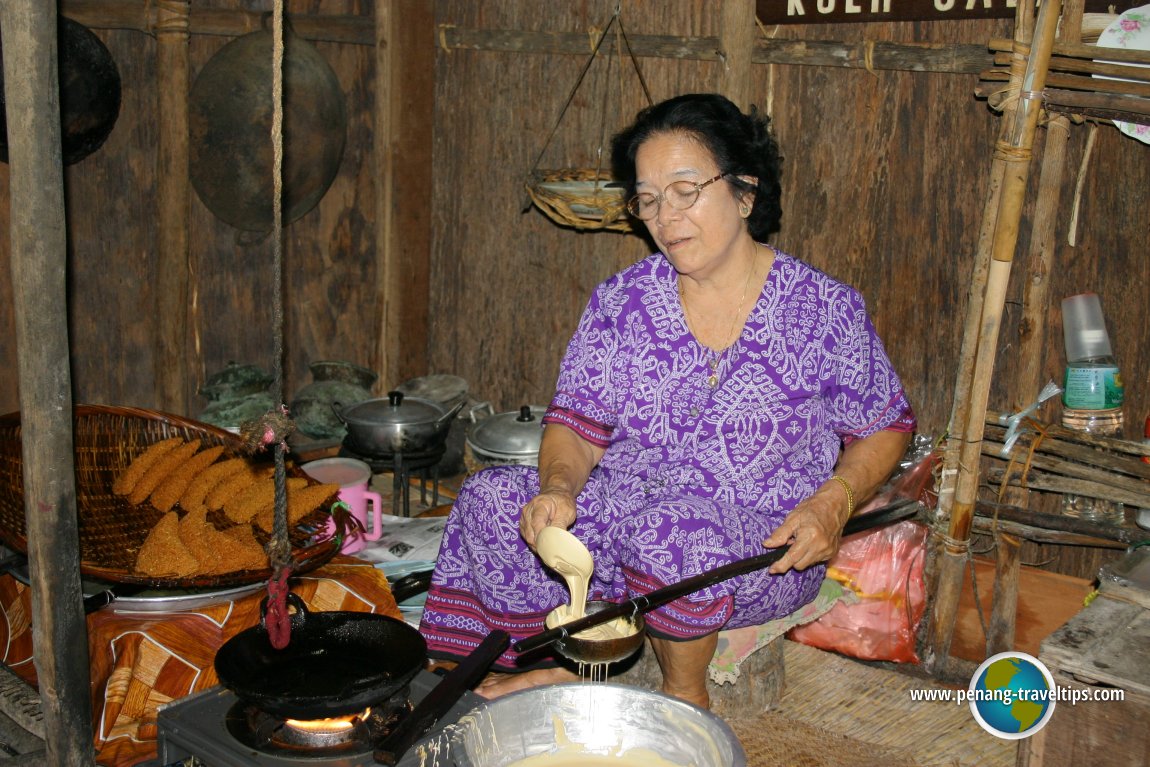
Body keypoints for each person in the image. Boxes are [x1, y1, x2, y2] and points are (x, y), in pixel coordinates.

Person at [418, 93, 915, 708]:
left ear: (744, 192)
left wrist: (832, 505)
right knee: (493, 498)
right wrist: (558, 488)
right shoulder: (622, 303)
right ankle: (570, 661)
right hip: (622, 523)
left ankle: (683, 696)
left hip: (754, 548)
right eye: (648, 200)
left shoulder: (820, 310)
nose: (664, 216)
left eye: (685, 190)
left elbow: (886, 424)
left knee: (671, 531)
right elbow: (575, 425)